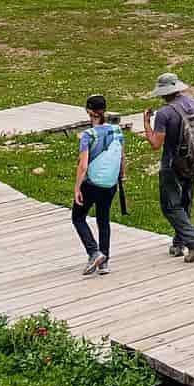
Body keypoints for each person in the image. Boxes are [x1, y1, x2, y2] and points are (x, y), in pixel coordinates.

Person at [142, 72, 194, 262]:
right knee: (185, 202)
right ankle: (179, 244)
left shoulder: (165, 113)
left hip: (173, 164)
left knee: (171, 206)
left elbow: (156, 144)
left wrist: (146, 123)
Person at [72, 94, 124, 276]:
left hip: (91, 184)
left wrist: (77, 187)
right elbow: (122, 156)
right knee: (103, 220)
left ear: (89, 111)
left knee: (78, 217)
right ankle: (104, 262)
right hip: (110, 184)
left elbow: (83, 165)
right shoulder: (117, 130)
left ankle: (94, 252)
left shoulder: (88, 135)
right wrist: (121, 176)